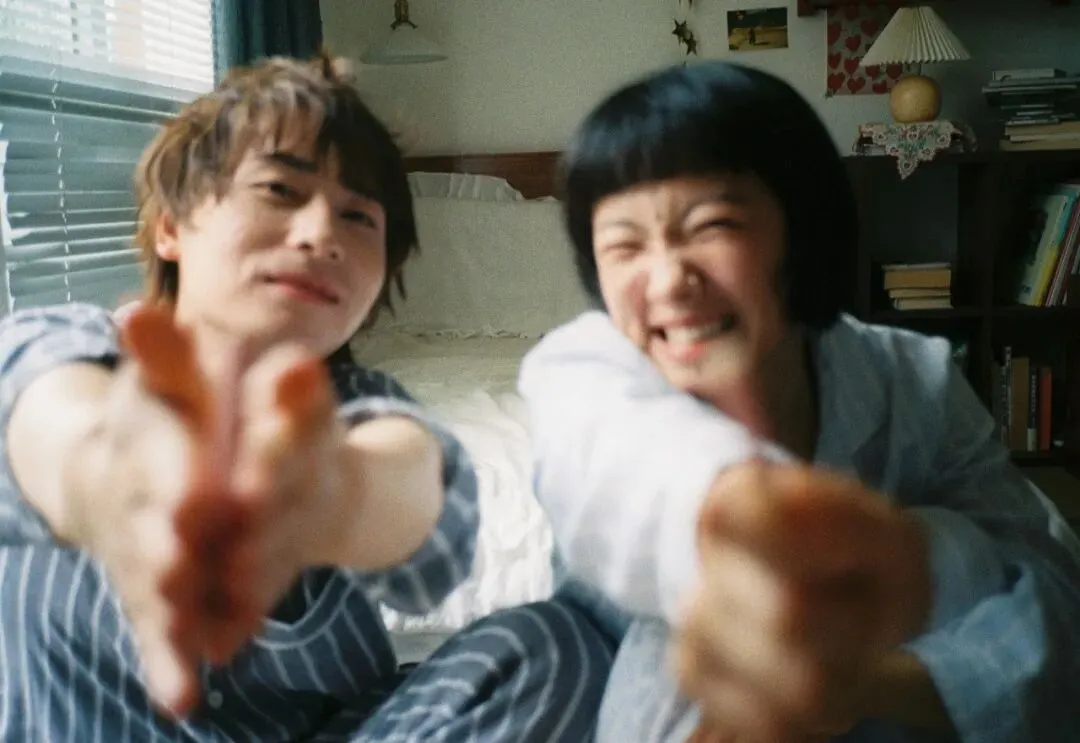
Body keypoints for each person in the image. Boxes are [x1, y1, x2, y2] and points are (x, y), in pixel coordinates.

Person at [0, 53, 612, 742]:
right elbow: (45, 417)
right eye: (278, 190)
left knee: (558, 644)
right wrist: (125, 479)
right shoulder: (62, 349)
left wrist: (323, 491)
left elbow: (413, 488)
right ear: (171, 225)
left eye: (359, 217)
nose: (322, 234)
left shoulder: (367, 408)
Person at [519, 60, 1080, 743]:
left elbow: (1048, 588)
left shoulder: (912, 377)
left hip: (897, 701)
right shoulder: (588, 372)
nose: (667, 281)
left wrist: (858, 685)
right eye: (623, 246)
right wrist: (745, 511)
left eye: (712, 225)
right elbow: (613, 459)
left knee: (959, 549)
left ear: (801, 227)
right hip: (655, 695)